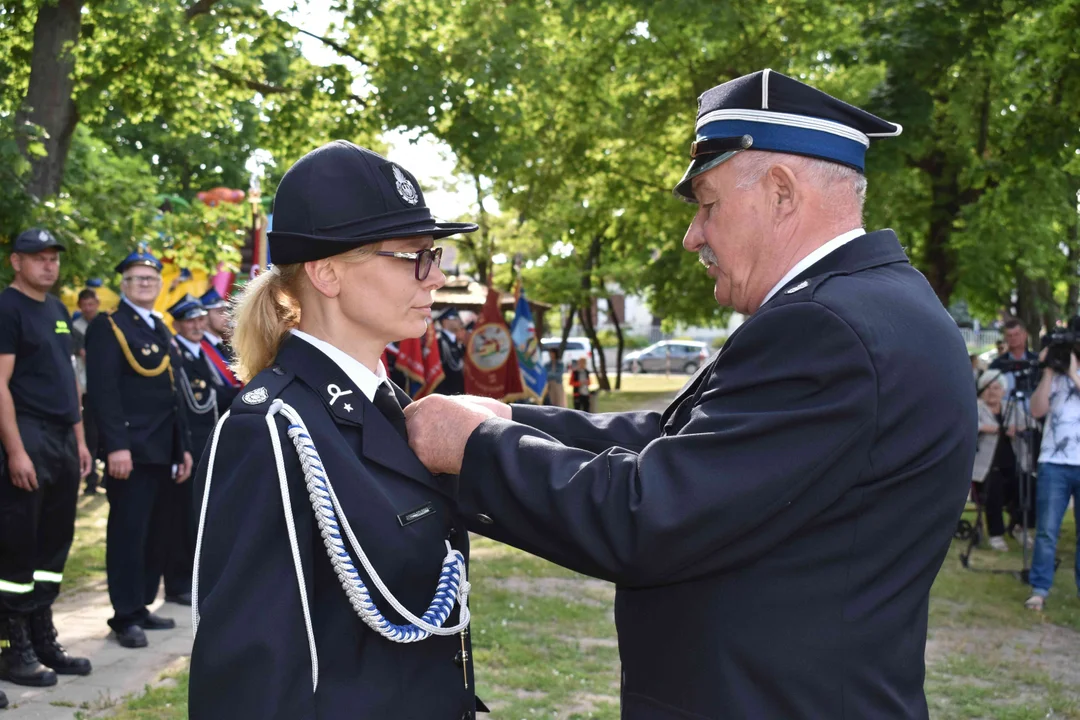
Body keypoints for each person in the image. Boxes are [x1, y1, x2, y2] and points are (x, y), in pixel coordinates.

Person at [404, 69, 976, 719]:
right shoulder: (872, 305)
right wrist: (510, 416)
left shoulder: (827, 328)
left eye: (708, 205)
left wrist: (475, 447)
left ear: (782, 192)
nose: (692, 236)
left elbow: (649, 514)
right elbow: (683, 443)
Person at [189, 140, 486, 719]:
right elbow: (248, 675)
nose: (436, 277)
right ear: (327, 273)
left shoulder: (389, 406)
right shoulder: (272, 428)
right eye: (413, 256)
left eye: (435, 254)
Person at [85, 247, 193, 649]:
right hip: (130, 450)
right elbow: (104, 392)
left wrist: (181, 448)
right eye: (137, 279)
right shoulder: (109, 326)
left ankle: (143, 603)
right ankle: (124, 614)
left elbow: (172, 395)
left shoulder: (158, 326)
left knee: (155, 533)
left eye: (151, 279)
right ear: (124, 285)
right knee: (129, 533)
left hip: (162, 449)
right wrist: (115, 447)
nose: (145, 284)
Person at [0, 228, 94, 689]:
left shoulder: (58, 310)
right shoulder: (7, 308)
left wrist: (79, 439)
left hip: (62, 437)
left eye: (53, 257)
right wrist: (15, 450)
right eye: (38, 257)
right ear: (17, 262)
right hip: (28, 434)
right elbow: (0, 383)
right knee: (20, 545)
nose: (49, 265)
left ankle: (42, 637)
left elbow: (68, 384)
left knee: (54, 545)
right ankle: (13, 647)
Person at [1024, 318, 1080, 611]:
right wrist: (1048, 372)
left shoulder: (1071, 373)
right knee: (1046, 530)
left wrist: (1072, 373)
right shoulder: (1055, 375)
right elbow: (1036, 410)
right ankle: (1040, 588)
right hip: (1053, 462)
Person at [972, 370, 1023, 551]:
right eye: (987, 388)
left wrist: (1016, 428)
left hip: (1013, 463)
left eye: (996, 388)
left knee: (1028, 484)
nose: (992, 392)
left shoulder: (1011, 407)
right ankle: (996, 534)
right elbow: (969, 425)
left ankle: (1019, 526)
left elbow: (1030, 425)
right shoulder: (976, 407)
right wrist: (992, 428)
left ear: (1003, 390)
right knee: (993, 487)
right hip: (985, 467)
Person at [72, 288, 102, 494]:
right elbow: (84, 356)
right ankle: (91, 480)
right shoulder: (76, 328)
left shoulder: (105, 324)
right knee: (91, 437)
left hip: (107, 389)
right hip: (88, 389)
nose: (89, 308)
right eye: (85, 304)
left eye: (92, 304)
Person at [434, 306, 467, 395]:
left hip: (458, 393)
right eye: (455, 318)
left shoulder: (457, 342)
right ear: (445, 321)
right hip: (445, 394)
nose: (460, 321)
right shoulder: (439, 341)